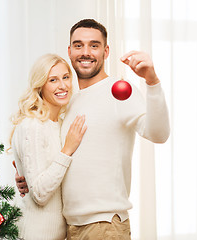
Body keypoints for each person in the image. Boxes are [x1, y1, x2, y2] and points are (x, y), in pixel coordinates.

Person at [15, 19, 170, 240]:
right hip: (70, 227)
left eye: (94, 45)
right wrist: (29, 177)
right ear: (69, 51)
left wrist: (152, 81)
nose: (85, 52)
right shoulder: (68, 103)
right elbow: (61, 157)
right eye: (78, 45)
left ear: (106, 51)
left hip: (105, 225)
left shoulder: (119, 91)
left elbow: (159, 134)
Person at [10, 53, 87, 240]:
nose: (62, 86)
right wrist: (67, 150)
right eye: (53, 80)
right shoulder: (33, 126)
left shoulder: (58, 123)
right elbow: (39, 194)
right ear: (40, 86)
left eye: (66, 77)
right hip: (36, 234)